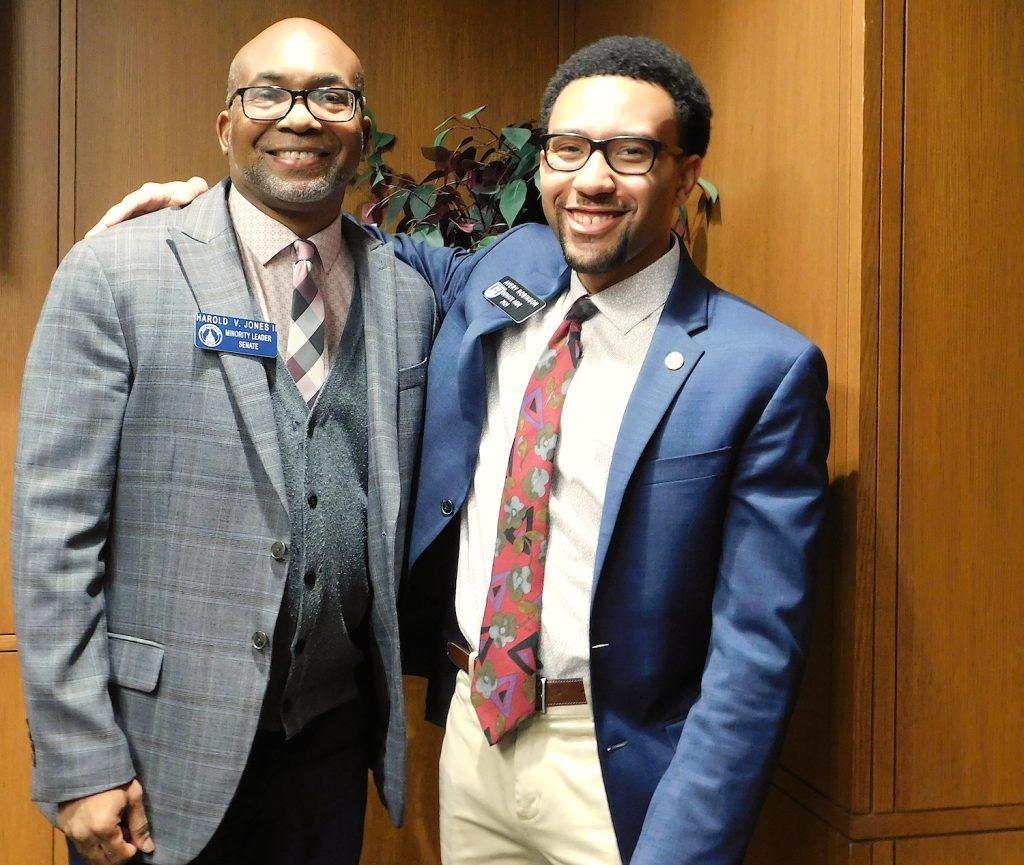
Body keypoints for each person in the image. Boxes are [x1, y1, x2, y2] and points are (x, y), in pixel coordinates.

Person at [95, 35, 830, 865]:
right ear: (544, 159)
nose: (592, 178)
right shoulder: (511, 264)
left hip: (618, 770)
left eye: (630, 153)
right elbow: (358, 247)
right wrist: (214, 212)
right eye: (569, 148)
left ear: (685, 174)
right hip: (475, 739)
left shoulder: (760, 368)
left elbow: (756, 657)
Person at [12, 17, 436, 865]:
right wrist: (78, 756)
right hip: (153, 753)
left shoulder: (408, 295)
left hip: (326, 742)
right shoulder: (118, 271)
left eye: (332, 96)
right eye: (269, 92)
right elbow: (53, 535)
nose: (301, 116)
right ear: (226, 123)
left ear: (361, 128)